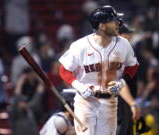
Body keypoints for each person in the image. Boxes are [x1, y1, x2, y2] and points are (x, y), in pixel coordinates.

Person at [58, 5, 140, 135]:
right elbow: (63, 70)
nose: (118, 23)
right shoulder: (80, 46)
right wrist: (79, 86)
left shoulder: (123, 44)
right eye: (114, 20)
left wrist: (121, 83)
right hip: (86, 101)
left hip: (110, 101)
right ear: (102, 26)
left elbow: (133, 66)